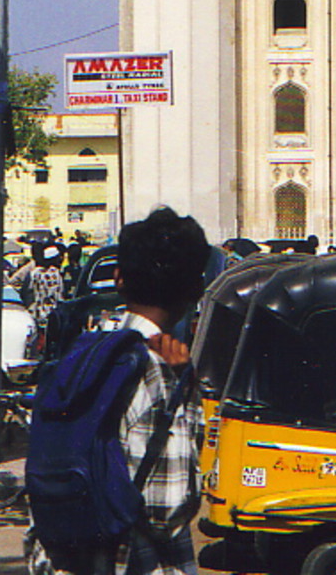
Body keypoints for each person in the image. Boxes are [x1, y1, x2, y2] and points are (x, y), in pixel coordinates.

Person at [26, 205, 209, 575]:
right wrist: (185, 393)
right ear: (194, 290)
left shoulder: (80, 355)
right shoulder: (158, 369)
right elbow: (167, 508)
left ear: (120, 278)